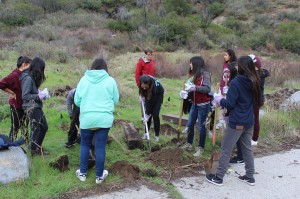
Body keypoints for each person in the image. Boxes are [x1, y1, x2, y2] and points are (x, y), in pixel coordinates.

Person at [206, 55, 262, 186]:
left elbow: (229, 104)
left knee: (226, 149)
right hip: (249, 121)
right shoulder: (254, 80)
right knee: (247, 149)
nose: (235, 67)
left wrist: (217, 98)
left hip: (237, 121)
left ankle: (218, 178)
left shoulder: (236, 82)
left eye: (238, 65)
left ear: (242, 67)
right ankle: (250, 176)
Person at [74, 58, 119, 184]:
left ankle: (82, 173)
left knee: (85, 144)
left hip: (87, 119)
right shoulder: (110, 81)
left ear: (92, 67)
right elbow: (115, 100)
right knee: (100, 146)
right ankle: (99, 176)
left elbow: (77, 101)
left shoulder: (84, 80)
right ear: (105, 68)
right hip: (104, 119)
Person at [180, 56, 211, 157]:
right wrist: (185, 93)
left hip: (203, 105)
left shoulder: (205, 75)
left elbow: (207, 89)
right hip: (194, 103)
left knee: (202, 127)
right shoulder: (194, 75)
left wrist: (194, 88)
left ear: (196, 64)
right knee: (190, 124)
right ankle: (189, 144)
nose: (190, 65)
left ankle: (200, 148)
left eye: (191, 63)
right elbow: (191, 89)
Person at [21, 57, 50, 156]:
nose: (42, 71)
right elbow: (25, 96)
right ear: (38, 68)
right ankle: (34, 151)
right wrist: (38, 96)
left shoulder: (32, 77)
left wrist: (41, 93)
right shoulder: (28, 78)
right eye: (42, 68)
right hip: (31, 107)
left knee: (44, 127)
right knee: (36, 129)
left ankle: (37, 148)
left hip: (36, 106)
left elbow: (31, 92)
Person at [0, 56, 31, 141]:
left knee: (24, 126)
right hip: (16, 106)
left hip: (24, 105)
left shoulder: (26, 75)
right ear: (24, 65)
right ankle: (9, 146)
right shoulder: (14, 75)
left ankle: (27, 143)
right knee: (15, 127)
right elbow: (1, 84)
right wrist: (12, 92)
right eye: (29, 66)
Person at [249, 54, 270, 145]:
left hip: (255, 100)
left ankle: (254, 139)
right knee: (253, 118)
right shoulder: (261, 73)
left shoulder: (257, 75)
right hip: (256, 99)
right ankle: (251, 137)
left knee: (255, 119)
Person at [139, 74, 164, 142]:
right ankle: (146, 133)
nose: (143, 88)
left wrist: (147, 114)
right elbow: (143, 92)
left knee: (155, 114)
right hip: (150, 95)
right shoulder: (142, 80)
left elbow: (151, 102)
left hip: (158, 95)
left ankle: (157, 135)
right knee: (148, 115)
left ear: (148, 85)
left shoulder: (154, 88)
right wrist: (141, 96)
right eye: (142, 86)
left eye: (145, 87)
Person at [216, 49, 237, 130]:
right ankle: (221, 121)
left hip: (230, 87)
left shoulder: (234, 65)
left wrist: (229, 87)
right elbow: (223, 76)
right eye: (224, 55)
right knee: (221, 104)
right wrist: (221, 86)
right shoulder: (224, 64)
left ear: (230, 56)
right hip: (222, 86)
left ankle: (227, 123)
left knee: (228, 105)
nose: (224, 56)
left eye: (226, 55)